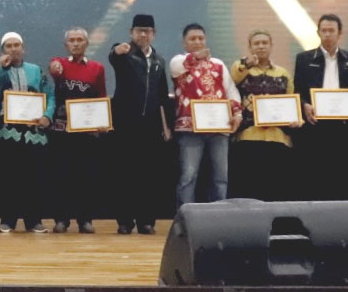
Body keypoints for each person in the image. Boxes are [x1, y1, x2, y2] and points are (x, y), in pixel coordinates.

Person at [108, 14, 173, 235]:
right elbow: (114, 56)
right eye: (139, 30)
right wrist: (117, 50)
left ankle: (146, 221)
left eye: (147, 31)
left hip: (151, 126)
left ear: (153, 34)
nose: (143, 34)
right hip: (125, 124)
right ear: (131, 32)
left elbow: (163, 96)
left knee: (148, 175)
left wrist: (166, 127)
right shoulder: (125, 54)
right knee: (125, 173)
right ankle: (125, 221)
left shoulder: (159, 61)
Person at [293, 13, 348, 208]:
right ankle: (315, 213)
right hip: (315, 125)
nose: (327, 34)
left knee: (342, 173)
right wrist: (304, 105)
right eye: (323, 30)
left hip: (343, 127)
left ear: (339, 33)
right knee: (315, 172)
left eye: (331, 30)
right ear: (318, 32)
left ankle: (342, 214)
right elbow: (297, 91)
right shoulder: (303, 59)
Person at [169, 23, 242, 210]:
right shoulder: (178, 61)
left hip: (219, 127)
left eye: (201, 38)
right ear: (184, 43)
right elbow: (178, 68)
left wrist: (237, 113)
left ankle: (218, 217)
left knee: (220, 177)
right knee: (188, 176)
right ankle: (185, 218)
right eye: (192, 39)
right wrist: (197, 57)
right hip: (190, 128)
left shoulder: (218, 64)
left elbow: (231, 91)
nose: (197, 42)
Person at [0, 31, 54, 233]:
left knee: (33, 177)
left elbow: (50, 95)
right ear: (3, 51)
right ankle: (7, 220)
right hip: (8, 132)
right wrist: (2, 64)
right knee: (9, 177)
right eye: (8, 46)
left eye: (16, 45)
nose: (13, 49)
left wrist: (47, 116)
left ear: (23, 48)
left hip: (33, 132)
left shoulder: (36, 70)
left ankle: (34, 220)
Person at [47, 27, 107, 234]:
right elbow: (53, 67)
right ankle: (61, 220)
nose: (75, 43)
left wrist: (102, 121)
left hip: (86, 132)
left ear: (87, 44)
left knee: (86, 177)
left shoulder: (97, 68)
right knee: (61, 176)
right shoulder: (60, 65)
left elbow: (101, 96)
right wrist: (54, 64)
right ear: (66, 45)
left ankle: (85, 220)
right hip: (61, 132)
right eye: (71, 40)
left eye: (79, 40)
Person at [229, 31, 298, 201]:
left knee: (276, 188)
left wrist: (294, 120)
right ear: (250, 47)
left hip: (278, 138)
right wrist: (247, 63)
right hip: (249, 137)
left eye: (264, 43)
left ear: (271, 46)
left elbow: (291, 101)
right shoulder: (241, 68)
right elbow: (233, 79)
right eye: (256, 43)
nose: (261, 46)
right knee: (250, 189)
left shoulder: (283, 73)